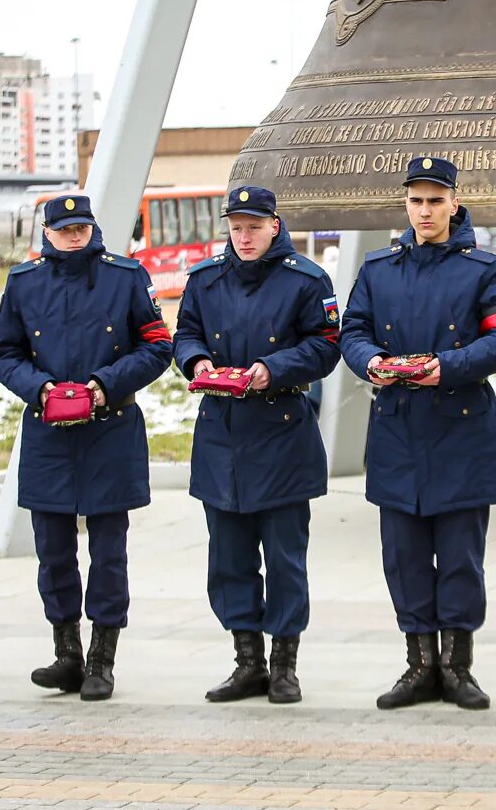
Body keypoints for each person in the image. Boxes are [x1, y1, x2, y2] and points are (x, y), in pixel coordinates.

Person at [339, 156, 496, 710]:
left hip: (460, 430)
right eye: (416, 200)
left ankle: (458, 667)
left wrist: (449, 365)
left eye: (435, 200)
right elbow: (353, 330)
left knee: (461, 557)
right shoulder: (378, 268)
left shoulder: (485, 270)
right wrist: (371, 361)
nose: (425, 211)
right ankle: (418, 665)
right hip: (398, 430)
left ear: (454, 203)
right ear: (406, 204)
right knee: (405, 556)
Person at [0, 194, 171, 702]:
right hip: (49, 436)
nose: (74, 236)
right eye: (64, 229)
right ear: (47, 233)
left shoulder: (125, 276)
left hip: (110, 431)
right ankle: (66, 653)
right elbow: (2, 354)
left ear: (93, 227)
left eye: (81, 227)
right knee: (53, 553)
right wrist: (40, 388)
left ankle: (101, 660)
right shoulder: (23, 283)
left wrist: (103, 384)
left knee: (108, 553)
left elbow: (157, 345)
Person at [173, 186, 341, 704]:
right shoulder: (205, 280)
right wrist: (197, 360)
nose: (244, 237)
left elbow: (326, 345)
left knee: (285, 558)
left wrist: (273, 369)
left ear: (275, 224)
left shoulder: (307, 280)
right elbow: (184, 333)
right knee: (228, 558)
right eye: (236, 226)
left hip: (282, 434)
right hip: (222, 437)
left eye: (254, 226)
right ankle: (247, 660)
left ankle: (285, 664)